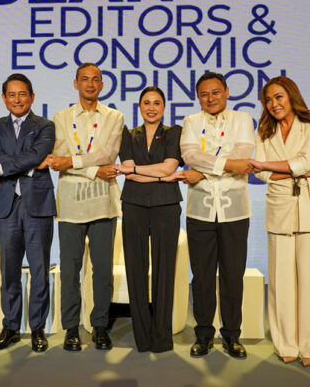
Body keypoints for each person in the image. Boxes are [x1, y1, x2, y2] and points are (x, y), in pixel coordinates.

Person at [251, 76, 310, 367]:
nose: (273, 104)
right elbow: (260, 174)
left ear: (291, 96)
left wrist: (269, 165)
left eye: (279, 97)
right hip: (279, 209)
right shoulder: (264, 131)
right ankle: (285, 343)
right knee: (281, 282)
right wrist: (297, 170)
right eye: (268, 100)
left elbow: (306, 160)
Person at [177, 72, 255, 358]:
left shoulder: (243, 119)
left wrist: (203, 170)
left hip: (235, 210)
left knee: (233, 276)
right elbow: (190, 156)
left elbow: (243, 159)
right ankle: (203, 334)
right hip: (200, 209)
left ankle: (232, 335)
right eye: (204, 94)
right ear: (198, 97)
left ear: (227, 92)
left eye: (216, 92)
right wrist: (227, 164)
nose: (210, 98)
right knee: (202, 277)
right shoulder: (190, 122)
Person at [47, 62, 123, 351]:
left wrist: (74, 162)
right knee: (70, 269)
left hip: (104, 202)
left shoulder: (114, 116)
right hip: (70, 204)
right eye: (85, 79)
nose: (90, 84)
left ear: (102, 85)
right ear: (75, 83)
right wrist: (94, 170)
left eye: (95, 79)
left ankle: (99, 325)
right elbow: (58, 159)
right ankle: (71, 327)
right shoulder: (61, 117)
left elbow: (108, 154)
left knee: (102, 270)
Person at [0, 73, 56, 353]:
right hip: (7, 204)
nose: (17, 99)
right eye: (12, 95)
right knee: (9, 270)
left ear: (32, 97)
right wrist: (27, 163)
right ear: (4, 98)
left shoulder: (45, 125)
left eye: (22, 94)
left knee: (39, 269)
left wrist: (8, 167)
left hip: (37, 203)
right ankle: (11, 328)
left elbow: (38, 154)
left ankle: (37, 328)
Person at [112, 86, 183, 353]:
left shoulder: (174, 132)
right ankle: (142, 337)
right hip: (134, 206)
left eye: (156, 103)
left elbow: (169, 166)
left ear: (163, 107)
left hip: (167, 206)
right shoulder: (128, 134)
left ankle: (161, 338)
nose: (151, 108)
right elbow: (128, 174)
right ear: (139, 107)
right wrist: (161, 176)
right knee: (136, 269)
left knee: (165, 271)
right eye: (146, 103)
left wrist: (140, 170)